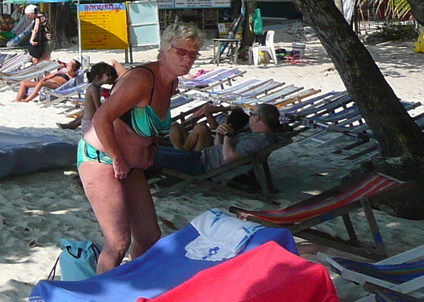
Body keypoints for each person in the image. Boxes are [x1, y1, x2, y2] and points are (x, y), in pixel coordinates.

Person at [78, 21, 204, 273]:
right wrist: (117, 157)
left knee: (149, 236)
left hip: (131, 163)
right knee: (118, 242)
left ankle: (132, 282)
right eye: (182, 52)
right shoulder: (141, 80)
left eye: (193, 54)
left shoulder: (171, 83)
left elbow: (155, 124)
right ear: (164, 50)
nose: (188, 59)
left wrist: (152, 148)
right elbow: (101, 118)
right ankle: (100, 293)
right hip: (101, 157)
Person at [155, 102, 291, 177]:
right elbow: (219, 148)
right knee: (155, 150)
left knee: (155, 156)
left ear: (257, 118)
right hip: (200, 157)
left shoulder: (260, 140)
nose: (250, 117)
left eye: (251, 114)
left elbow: (228, 157)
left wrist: (228, 135)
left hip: (202, 166)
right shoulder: (255, 136)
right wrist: (220, 135)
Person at [59, 61, 117, 131]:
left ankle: (72, 124)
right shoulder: (95, 89)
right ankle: (72, 124)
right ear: (98, 77)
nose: (110, 77)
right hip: (90, 124)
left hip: (86, 122)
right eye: (108, 75)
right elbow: (99, 109)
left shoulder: (93, 87)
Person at [13, 58, 79, 103]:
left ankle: (27, 100)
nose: (68, 65)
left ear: (74, 67)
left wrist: (41, 82)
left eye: (70, 64)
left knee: (41, 83)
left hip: (55, 85)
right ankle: (18, 99)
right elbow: (45, 78)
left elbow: (76, 79)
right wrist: (41, 81)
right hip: (47, 82)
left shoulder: (73, 76)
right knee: (23, 83)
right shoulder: (60, 72)